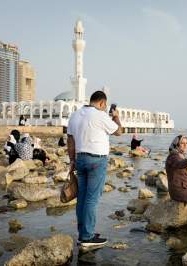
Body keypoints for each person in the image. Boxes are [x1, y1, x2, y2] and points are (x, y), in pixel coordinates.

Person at [67, 90, 122, 248]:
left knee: (82, 198)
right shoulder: (100, 115)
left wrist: (71, 160)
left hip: (80, 159)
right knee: (92, 199)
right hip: (96, 160)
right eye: (105, 106)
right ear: (102, 103)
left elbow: (70, 140)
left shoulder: (75, 115)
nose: (105, 108)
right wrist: (116, 116)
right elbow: (119, 131)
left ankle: (83, 233)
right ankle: (87, 237)